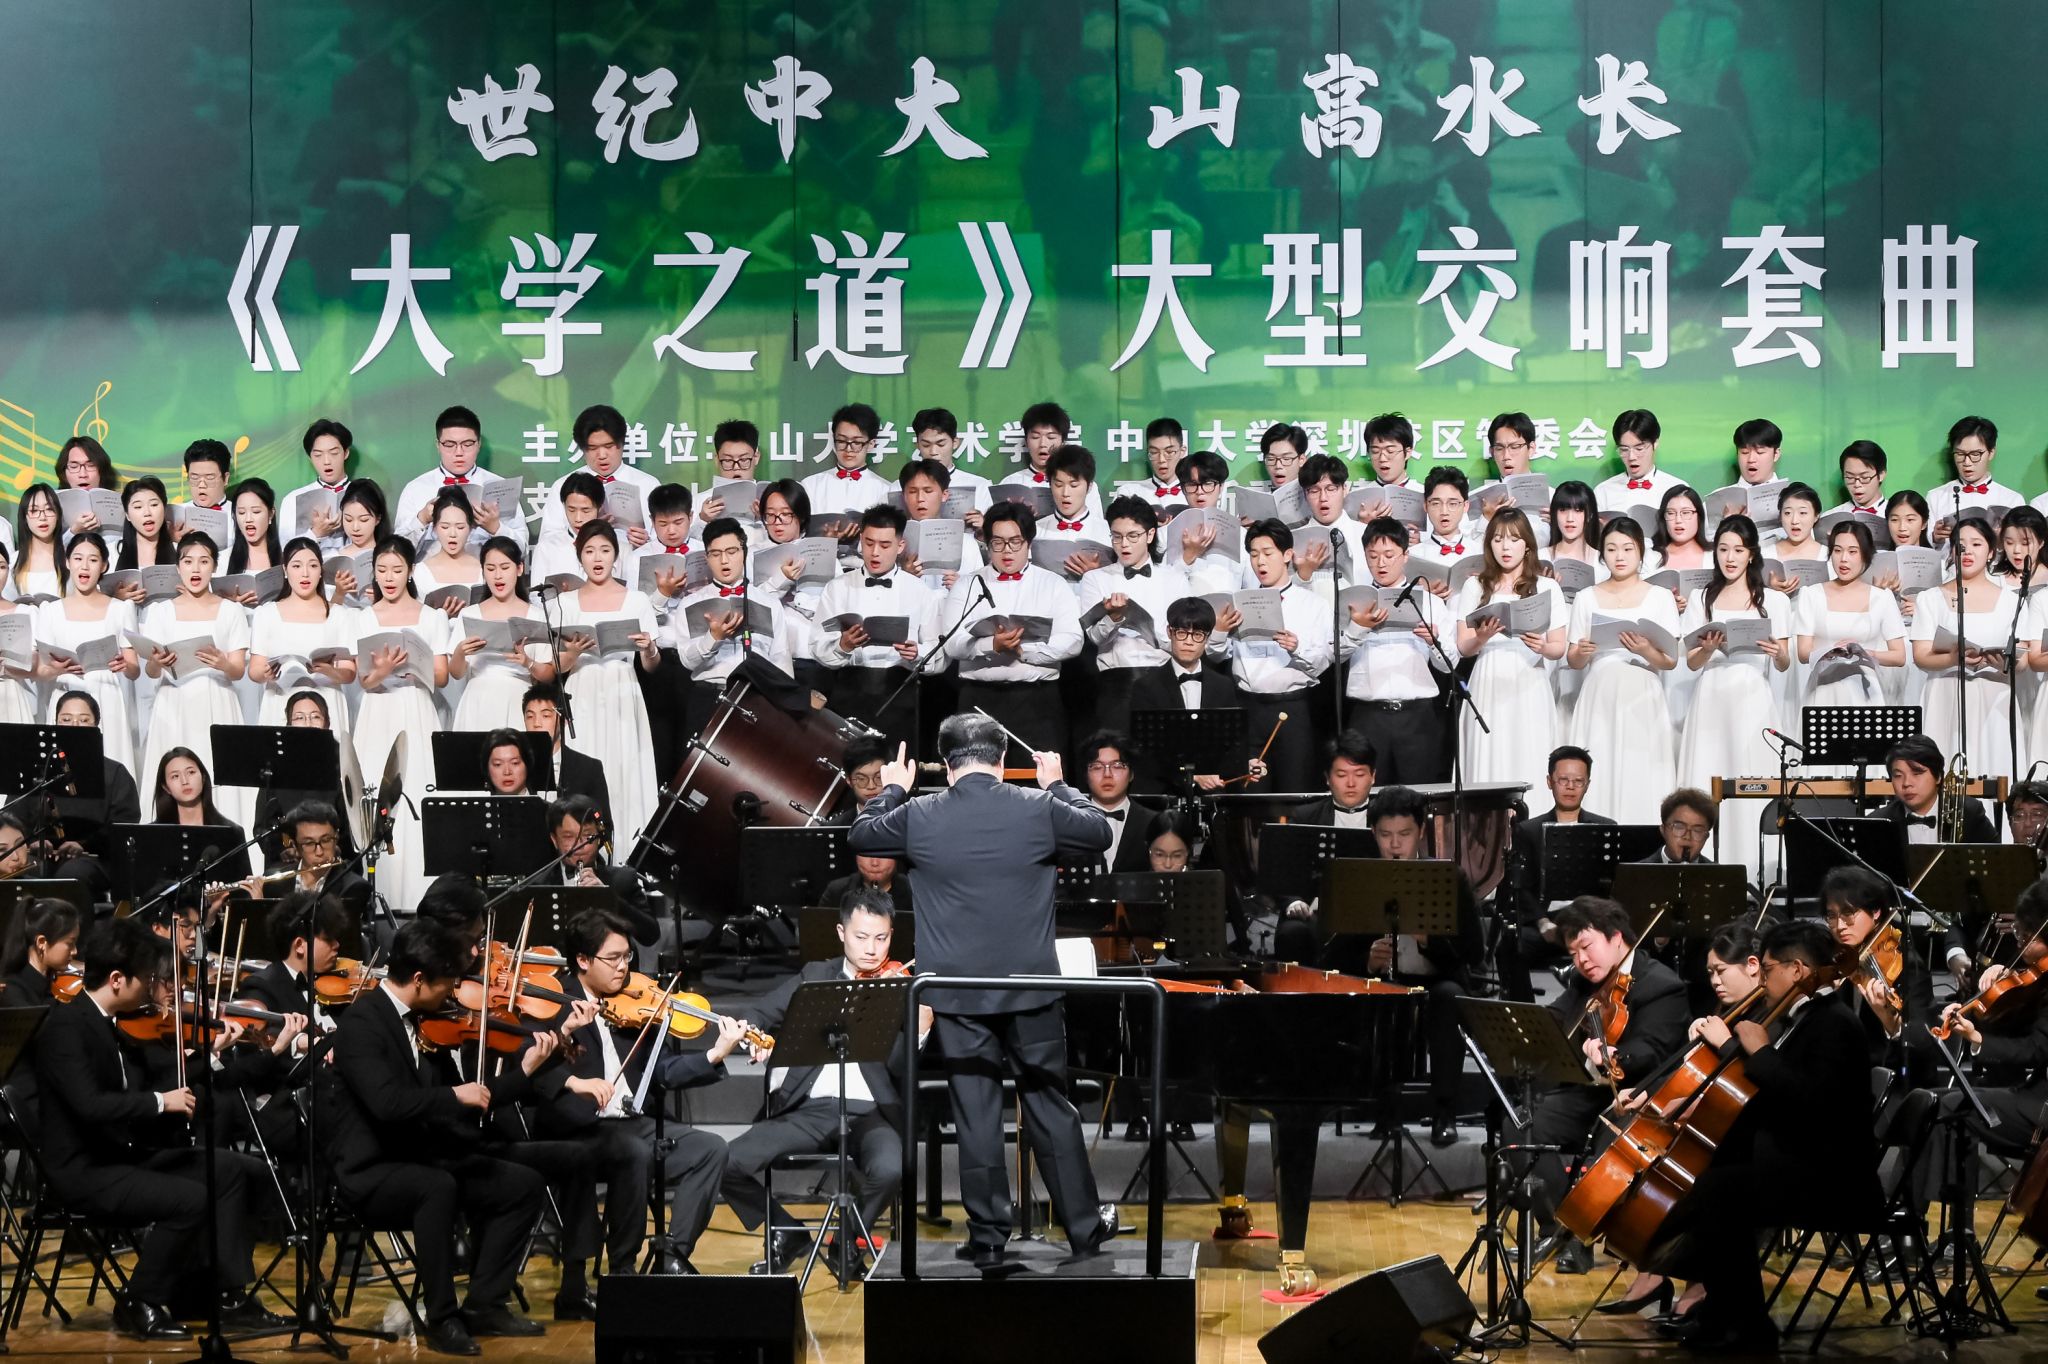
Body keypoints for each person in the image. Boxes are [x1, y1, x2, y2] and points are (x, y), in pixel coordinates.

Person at [848, 716, 1112, 1265]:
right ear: (1001, 760)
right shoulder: (1039, 807)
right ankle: (1084, 1231)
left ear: (947, 766)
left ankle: (989, 1238)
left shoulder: (918, 813)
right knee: (1049, 1107)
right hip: (1031, 991)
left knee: (976, 1114)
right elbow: (1098, 831)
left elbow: (862, 835)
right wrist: (1058, 783)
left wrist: (893, 787)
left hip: (957, 994)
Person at [32, 916, 284, 1341]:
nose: (154, 988)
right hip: (83, 1170)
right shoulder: (66, 1027)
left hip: (119, 1156)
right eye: (147, 979)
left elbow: (160, 1077)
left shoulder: (112, 1023)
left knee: (230, 1170)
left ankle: (222, 1295)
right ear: (117, 980)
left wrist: (211, 1057)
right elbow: (90, 1105)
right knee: (190, 1199)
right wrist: (160, 1102)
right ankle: (140, 1300)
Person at [1639, 917, 1880, 1353]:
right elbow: (1771, 1097)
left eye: (1767, 969)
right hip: (1798, 1159)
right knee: (1712, 1179)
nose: (1763, 980)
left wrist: (1759, 1051)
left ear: (1797, 970)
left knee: (1720, 1190)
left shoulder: (1835, 1024)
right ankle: (1721, 1314)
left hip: (1832, 1177)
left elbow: (1810, 1103)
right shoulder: (1807, 1017)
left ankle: (1746, 1325)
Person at [318, 918, 554, 1355]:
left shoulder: (426, 1023)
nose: (455, 992)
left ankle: (485, 1303)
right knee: (437, 1187)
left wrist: (523, 1074)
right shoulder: (362, 1023)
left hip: (421, 1156)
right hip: (371, 1170)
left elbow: (467, 1099)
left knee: (522, 1185)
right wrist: (453, 1096)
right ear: (419, 978)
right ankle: (442, 1317)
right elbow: (388, 1104)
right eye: (449, 982)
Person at [723, 888, 928, 1277]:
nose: (872, 949)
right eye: (861, 937)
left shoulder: (901, 985)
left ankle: (845, 1239)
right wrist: (756, 1038)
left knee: (890, 1168)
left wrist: (919, 1031)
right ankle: (786, 1233)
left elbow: (901, 1066)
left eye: (881, 938)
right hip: (809, 1109)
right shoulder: (816, 975)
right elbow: (759, 1013)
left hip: (871, 1112)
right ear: (841, 932)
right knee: (725, 1161)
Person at [539, 909, 740, 1294]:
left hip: (633, 1123)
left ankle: (673, 1255)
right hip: (577, 1127)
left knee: (710, 1149)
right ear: (582, 960)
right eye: (613, 958)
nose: (623, 968)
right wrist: (566, 1035)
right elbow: (537, 1072)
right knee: (633, 1151)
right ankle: (622, 1271)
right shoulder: (553, 1001)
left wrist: (714, 1055)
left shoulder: (633, 1001)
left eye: (627, 956)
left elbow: (661, 1071)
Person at [1521, 896, 1687, 1275]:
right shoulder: (1586, 982)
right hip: (1588, 1092)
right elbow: (1555, 1018)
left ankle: (1581, 1237)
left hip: (1638, 1098)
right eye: (1573, 953)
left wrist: (1615, 1055)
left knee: (1606, 1147)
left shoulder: (1663, 985)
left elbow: (1653, 1051)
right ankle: (1558, 1231)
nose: (1581, 960)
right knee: (1522, 1125)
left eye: (1586, 947)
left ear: (1616, 938)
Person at [1677, 516, 1791, 875]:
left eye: (1738, 550)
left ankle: (1758, 867)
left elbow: (1784, 663)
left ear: (1751, 554)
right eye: (1723, 549)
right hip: (1712, 694)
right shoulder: (1702, 598)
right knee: (1711, 775)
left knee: (1751, 774)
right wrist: (1708, 648)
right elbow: (1692, 662)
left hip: (1752, 695)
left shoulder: (1773, 600)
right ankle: (1706, 866)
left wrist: (1777, 652)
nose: (1730, 558)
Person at [352, 536, 450, 913]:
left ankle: (419, 899)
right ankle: (378, 899)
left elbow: (441, 675)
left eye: (397, 570)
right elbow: (364, 680)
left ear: (410, 571)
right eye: (382, 570)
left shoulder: (432, 617)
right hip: (378, 710)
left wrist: (414, 668)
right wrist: (383, 671)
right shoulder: (364, 617)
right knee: (376, 799)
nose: (389, 577)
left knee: (416, 795)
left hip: (416, 707)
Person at [940, 502, 1082, 756]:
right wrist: (991, 645)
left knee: (1038, 776)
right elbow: (952, 642)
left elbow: (1073, 640)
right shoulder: (967, 585)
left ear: (1029, 542)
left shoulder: (1053, 584)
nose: (1007, 550)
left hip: (1036, 701)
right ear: (987, 543)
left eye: (1015, 542)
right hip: (978, 700)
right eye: (998, 542)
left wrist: (1024, 652)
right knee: (976, 772)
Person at [1564, 515, 1678, 824]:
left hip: (1642, 692)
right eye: (1612, 549)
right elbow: (1574, 659)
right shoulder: (1587, 597)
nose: (1620, 556)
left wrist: (1644, 650)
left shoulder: (1660, 597)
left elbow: (1670, 660)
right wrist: (1582, 652)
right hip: (1600, 692)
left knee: (1641, 765)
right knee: (1601, 761)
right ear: (1602, 554)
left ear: (1640, 552)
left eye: (1628, 549)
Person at [137, 530, 253, 833]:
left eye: (204, 561)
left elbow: (238, 670)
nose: (196, 569)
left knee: (217, 772)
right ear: (178, 567)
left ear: (214, 566)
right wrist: (156, 662)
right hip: (173, 702)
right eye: (188, 561)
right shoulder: (160, 611)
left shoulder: (231, 610)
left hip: (217, 701)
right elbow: (151, 671)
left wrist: (222, 662)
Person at [558, 521, 664, 848]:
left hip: (622, 689)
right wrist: (574, 652)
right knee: (584, 767)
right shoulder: (565, 602)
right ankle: (582, 851)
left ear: (616, 555)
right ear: (580, 556)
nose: (597, 558)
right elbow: (558, 666)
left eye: (605, 550)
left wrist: (648, 648)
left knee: (624, 768)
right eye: (589, 551)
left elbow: (651, 666)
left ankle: (628, 853)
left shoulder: (637, 600)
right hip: (581, 690)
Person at [1454, 509, 1566, 800]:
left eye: (1514, 539)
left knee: (1528, 749)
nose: (1505, 547)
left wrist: (1542, 646)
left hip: (1529, 678)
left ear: (1527, 545)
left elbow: (1559, 647)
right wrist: (1481, 636)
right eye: (1498, 539)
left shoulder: (1547, 587)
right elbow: (1463, 647)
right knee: (1488, 753)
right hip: (1487, 679)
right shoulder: (1475, 585)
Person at [1214, 519, 1333, 794]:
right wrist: (1219, 632)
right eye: (1254, 554)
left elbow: (1323, 664)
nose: (1260, 562)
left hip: (1292, 708)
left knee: (1295, 788)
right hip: (1247, 707)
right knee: (1249, 791)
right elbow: (1217, 655)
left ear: (1287, 555)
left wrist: (1296, 648)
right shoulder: (1237, 602)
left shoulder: (1313, 604)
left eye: (1268, 553)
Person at [813, 504, 937, 751]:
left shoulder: (920, 592)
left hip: (899, 691)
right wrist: (843, 645)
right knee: (846, 765)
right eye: (869, 543)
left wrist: (917, 653)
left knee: (897, 765)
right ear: (860, 540)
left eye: (885, 545)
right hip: (849, 687)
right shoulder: (837, 588)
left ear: (900, 546)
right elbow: (817, 646)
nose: (875, 552)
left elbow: (939, 653)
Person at [667, 515, 794, 743]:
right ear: (706, 558)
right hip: (708, 697)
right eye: (715, 554)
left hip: (757, 698)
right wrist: (713, 638)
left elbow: (781, 658)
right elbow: (687, 661)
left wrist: (785, 707)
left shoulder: (768, 602)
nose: (724, 560)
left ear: (744, 552)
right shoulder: (690, 603)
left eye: (732, 551)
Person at [1506, 746, 1616, 999]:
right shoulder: (1528, 830)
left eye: (1578, 781)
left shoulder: (1605, 827)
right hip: (1548, 922)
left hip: (1592, 921)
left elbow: (1612, 884)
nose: (1570, 787)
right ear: (1549, 782)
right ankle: (1524, 1011)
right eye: (1563, 780)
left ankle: (1599, 1008)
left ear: (1588, 785)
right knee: (1510, 944)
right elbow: (1522, 886)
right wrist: (1543, 923)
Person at [1915, 515, 2016, 782]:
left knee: (1993, 769)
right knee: (1944, 765)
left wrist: (2002, 663)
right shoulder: (1930, 598)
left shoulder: (2010, 601)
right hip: (1945, 692)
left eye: (1976, 544)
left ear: (1991, 552)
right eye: (1960, 546)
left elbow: (2024, 660)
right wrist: (1953, 657)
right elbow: (1921, 657)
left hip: (1994, 692)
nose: (1967, 551)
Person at [1078, 495, 1185, 739]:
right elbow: (1094, 637)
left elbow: (1182, 637)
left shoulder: (1174, 579)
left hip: (1162, 677)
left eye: (1133, 536)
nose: (1124, 544)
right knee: (1116, 754)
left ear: (1150, 535)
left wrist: (1152, 633)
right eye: (1117, 536)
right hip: (1115, 683)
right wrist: (1114, 618)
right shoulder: (1095, 578)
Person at [35, 530, 141, 775]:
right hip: (65, 692)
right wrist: (56, 669)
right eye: (78, 558)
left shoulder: (121, 609)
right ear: (67, 562)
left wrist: (124, 665)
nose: (84, 566)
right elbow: (40, 670)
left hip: (106, 695)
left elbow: (134, 669)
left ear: (103, 566)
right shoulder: (50, 610)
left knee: (106, 769)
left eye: (93, 560)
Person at [247, 535, 358, 733]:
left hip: (327, 703)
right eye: (297, 566)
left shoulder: (339, 615)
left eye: (312, 566)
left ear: (321, 571)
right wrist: (265, 673)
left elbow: (349, 673)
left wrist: (328, 671)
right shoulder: (266, 613)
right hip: (280, 700)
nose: (305, 573)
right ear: (285, 570)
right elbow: (254, 670)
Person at [394, 405, 527, 558]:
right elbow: (397, 554)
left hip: (483, 571)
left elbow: (522, 549)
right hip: (428, 571)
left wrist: (495, 528)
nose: (459, 452)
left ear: (478, 444)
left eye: (467, 444)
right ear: (438, 445)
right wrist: (422, 519)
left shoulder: (500, 486)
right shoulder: (416, 488)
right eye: (450, 445)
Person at [452, 537, 555, 731]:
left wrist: (527, 662)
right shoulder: (469, 614)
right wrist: (460, 652)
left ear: (519, 568)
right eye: (490, 569)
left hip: (518, 697)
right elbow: (456, 673)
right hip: (477, 700)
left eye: (505, 567)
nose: (498, 576)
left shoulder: (536, 615)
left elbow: (548, 674)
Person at [537, 404, 659, 552]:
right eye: (593, 448)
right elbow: (548, 541)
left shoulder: (648, 485)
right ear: (582, 448)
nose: (602, 455)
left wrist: (648, 542)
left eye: (609, 446)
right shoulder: (563, 486)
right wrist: (587, 532)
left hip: (633, 563)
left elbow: (668, 538)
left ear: (622, 443)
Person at [544, 795, 660, 945]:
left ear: (599, 837)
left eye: (587, 836)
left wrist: (607, 897)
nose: (579, 845)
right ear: (554, 840)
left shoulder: (623, 879)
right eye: (569, 837)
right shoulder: (540, 883)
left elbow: (650, 936)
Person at [523, 683, 613, 832]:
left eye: (546, 715)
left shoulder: (589, 768)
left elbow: (604, 826)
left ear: (563, 720)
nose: (536, 724)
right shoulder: (517, 766)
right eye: (530, 716)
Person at [1076, 731, 1162, 873]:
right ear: (1086, 775)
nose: (1107, 774)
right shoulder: (1071, 821)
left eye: (1117, 766)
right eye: (1097, 767)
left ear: (1131, 774)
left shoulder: (1153, 822)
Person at [1929, 415, 2020, 543]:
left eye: (1975, 454)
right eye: (1960, 454)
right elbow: (1925, 548)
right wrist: (1935, 538)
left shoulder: (2012, 500)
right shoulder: (1935, 497)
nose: (1967, 462)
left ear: (1991, 452)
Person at [800, 402, 891, 526]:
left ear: (871, 444)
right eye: (842, 441)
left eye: (857, 442)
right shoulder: (811, 486)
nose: (848, 449)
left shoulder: (885, 490)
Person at [1594, 409, 1685, 515]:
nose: (1631, 457)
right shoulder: (1603, 491)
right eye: (1624, 449)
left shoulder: (1678, 489)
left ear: (1655, 443)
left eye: (1639, 449)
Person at [284, 417, 356, 550]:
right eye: (318, 455)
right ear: (310, 458)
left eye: (334, 453)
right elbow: (285, 549)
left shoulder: (363, 493)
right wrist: (316, 533)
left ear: (346, 453)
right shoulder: (293, 499)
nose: (326, 461)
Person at [0, 894, 79, 1001]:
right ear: (41, 942)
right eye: (70, 943)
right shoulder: (14, 992)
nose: (75, 951)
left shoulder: (50, 984)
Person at [1642, 788, 1716, 865]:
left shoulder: (1719, 873)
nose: (1687, 837)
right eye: (1679, 827)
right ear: (1663, 830)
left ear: (1706, 837)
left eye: (1697, 830)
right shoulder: (1636, 871)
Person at [1829, 440, 1890, 521]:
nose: (1857, 484)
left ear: (1881, 474)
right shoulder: (1831, 518)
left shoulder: (1895, 516)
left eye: (1864, 477)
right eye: (1850, 477)